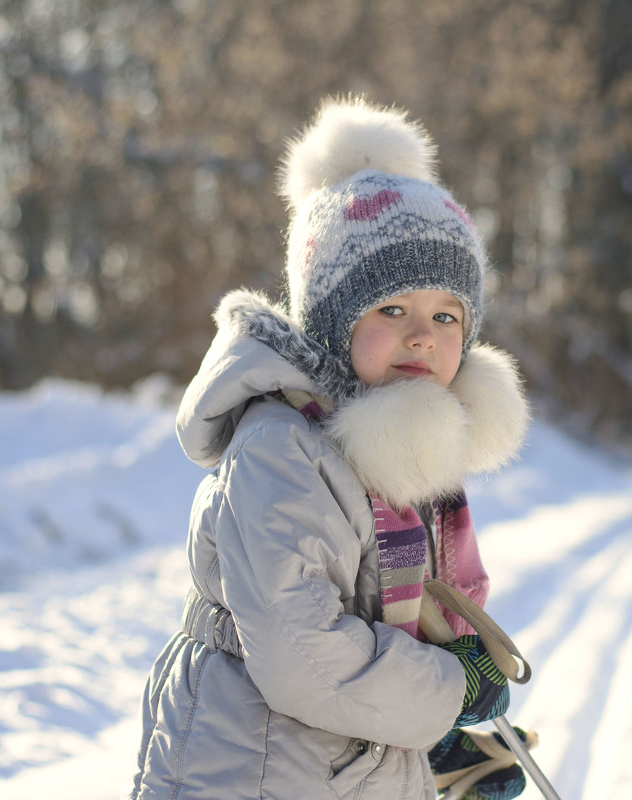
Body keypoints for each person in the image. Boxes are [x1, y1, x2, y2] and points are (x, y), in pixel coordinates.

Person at [129, 98, 531, 800]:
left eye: (445, 317)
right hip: (253, 768)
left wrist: (447, 741)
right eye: (391, 310)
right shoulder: (282, 451)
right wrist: (446, 688)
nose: (420, 337)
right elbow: (306, 656)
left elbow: (411, 618)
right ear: (332, 318)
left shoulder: (412, 457)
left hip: (339, 765)